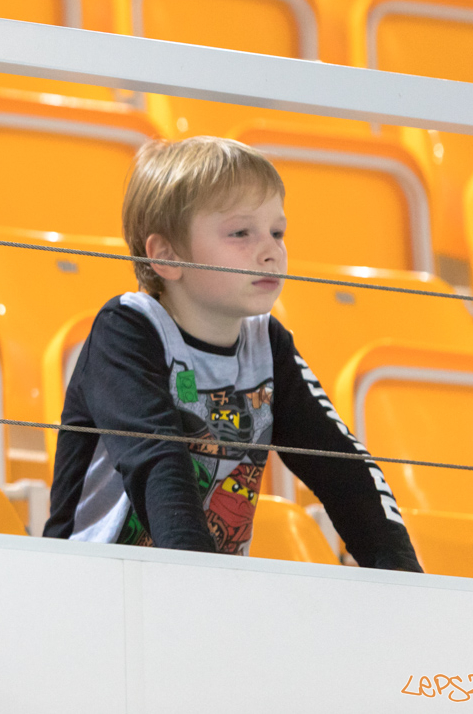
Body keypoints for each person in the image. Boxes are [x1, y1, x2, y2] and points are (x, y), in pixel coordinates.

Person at [43, 136, 421, 569]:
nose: (270, 251)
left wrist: (406, 580)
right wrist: (204, 582)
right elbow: (156, 460)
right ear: (166, 256)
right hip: (91, 590)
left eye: (277, 232)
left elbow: (344, 469)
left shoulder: (267, 344)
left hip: (198, 595)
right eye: (241, 233)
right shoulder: (128, 330)